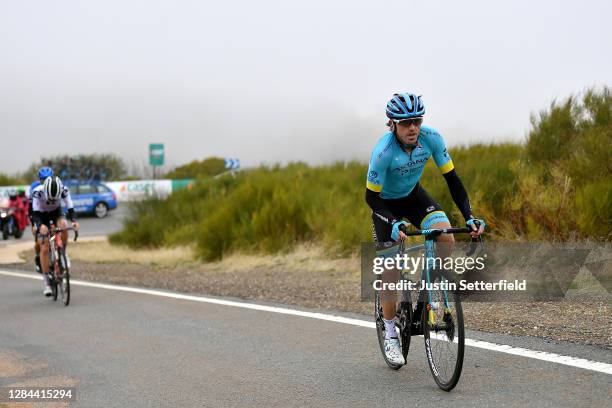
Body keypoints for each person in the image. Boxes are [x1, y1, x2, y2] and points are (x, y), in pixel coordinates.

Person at [365, 93, 485, 366]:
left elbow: (453, 180)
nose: (413, 128)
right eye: (406, 123)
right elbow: (370, 198)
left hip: (415, 197)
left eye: (417, 121)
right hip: (385, 206)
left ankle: (430, 289)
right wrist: (393, 223)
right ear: (392, 124)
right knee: (391, 270)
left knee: (445, 236)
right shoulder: (383, 152)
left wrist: (469, 216)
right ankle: (391, 332)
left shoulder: (432, 138)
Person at [31, 176, 79, 296]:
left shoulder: (64, 190)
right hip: (41, 214)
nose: (52, 200)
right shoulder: (37, 192)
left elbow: (70, 206)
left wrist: (74, 221)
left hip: (56, 212)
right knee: (45, 248)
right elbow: (35, 214)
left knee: (63, 225)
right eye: (50, 198)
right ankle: (47, 283)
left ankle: (63, 252)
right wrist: (39, 225)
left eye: (55, 198)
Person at [30, 167, 54, 273]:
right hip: (38, 216)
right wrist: (33, 225)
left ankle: (61, 254)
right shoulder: (35, 188)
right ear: (40, 179)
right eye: (43, 179)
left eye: (48, 178)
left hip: (51, 214)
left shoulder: (55, 186)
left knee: (58, 230)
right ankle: (37, 255)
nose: (46, 181)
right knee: (41, 243)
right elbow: (31, 209)